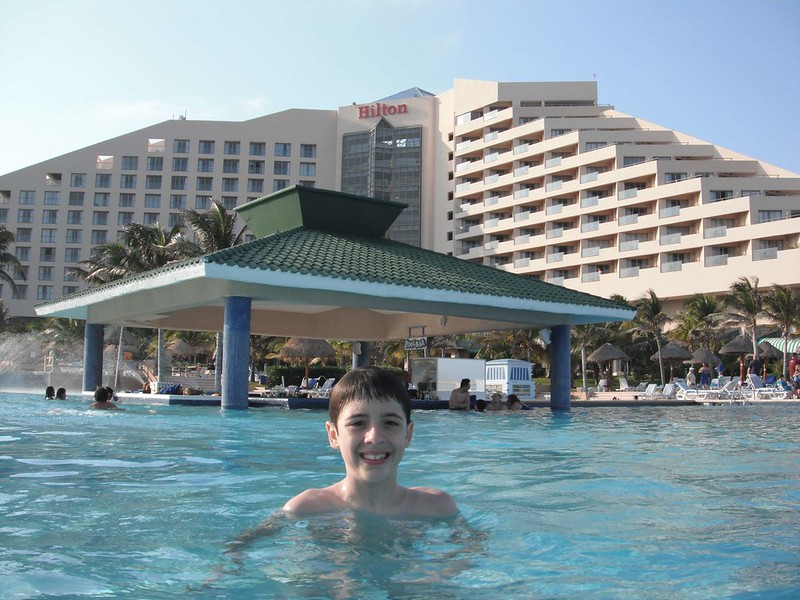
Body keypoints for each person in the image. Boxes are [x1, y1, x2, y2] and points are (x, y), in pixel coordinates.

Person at [282, 367, 458, 517]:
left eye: (390, 423)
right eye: (358, 423)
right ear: (334, 435)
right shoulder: (305, 510)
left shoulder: (437, 508)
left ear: (408, 434)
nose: (374, 438)